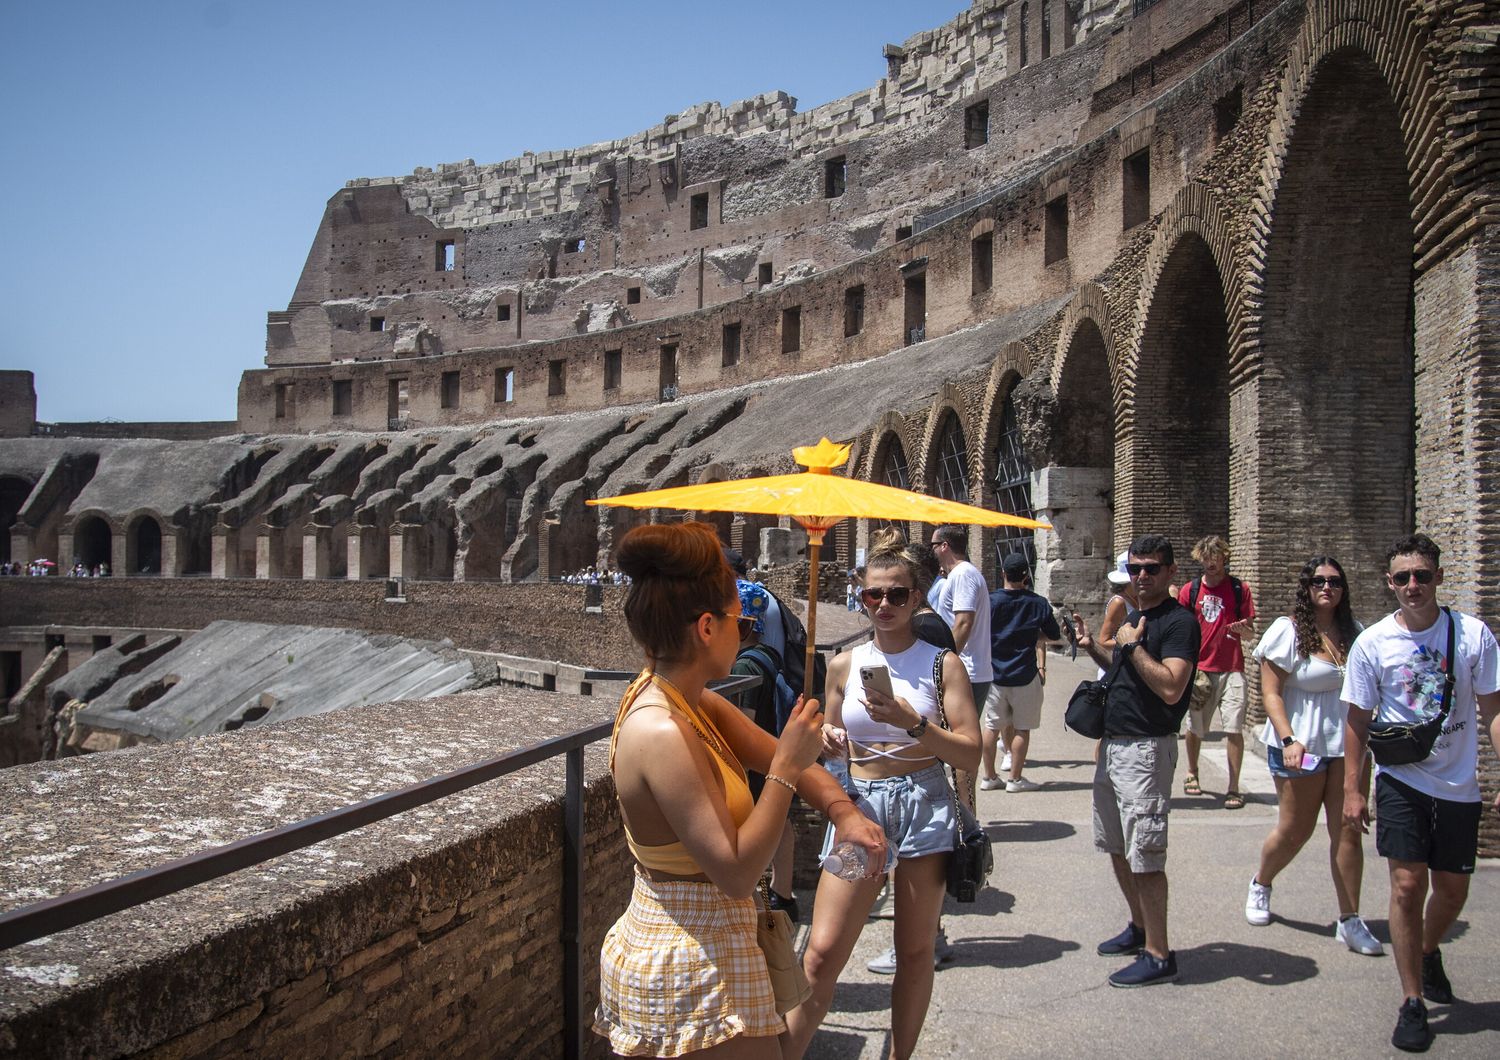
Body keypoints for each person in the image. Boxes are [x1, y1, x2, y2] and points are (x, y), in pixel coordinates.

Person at [594, 522, 885, 1058]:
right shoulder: (660, 728)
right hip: (686, 961)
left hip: (714, 938)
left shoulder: (691, 699)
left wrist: (842, 810)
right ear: (707, 627)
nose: (746, 632)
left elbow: (774, 752)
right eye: (741, 621)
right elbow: (735, 871)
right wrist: (787, 769)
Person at [784, 529, 980, 1059]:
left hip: (925, 802)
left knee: (914, 952)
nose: (884, 604)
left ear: (917, 597)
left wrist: (913, 723)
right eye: (874, 594)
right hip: (862, 805)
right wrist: (828, 741)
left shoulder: (944, 665)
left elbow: (969, 753)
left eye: (897, 594)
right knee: (822, 952)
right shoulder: (844, 665)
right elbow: (829, 747)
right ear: (861, 595)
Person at [1341, 533, 1500, 1053]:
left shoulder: (1472, 635)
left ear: (1437, 577)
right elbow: (1358, 722)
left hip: (1457, 785)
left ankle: (1429, 949)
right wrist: (1353, 790)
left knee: (1452, 890)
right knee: (1407, 888)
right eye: (1403, 577)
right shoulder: (1373, 643)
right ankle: (1412, 1001)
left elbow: (1493, 711)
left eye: (1422, 575)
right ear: (1390, 583)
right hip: (1401, 780)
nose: (1413, 585)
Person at [1073, 534, 1198, 987]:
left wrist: (1133, 644)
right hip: (1115, 744)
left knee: (1145, 852)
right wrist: (1093, 646)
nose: (1141, 576)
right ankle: (1139, 926)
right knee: (1118, 845)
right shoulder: (1138, 618)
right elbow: (1126, 666)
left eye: (1151, 569)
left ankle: (1159, 954)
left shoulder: (1179, 622)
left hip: (1146, 748)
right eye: (1135, 568)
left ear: (1170, 573)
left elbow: (1170, 686)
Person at [1242, 556, 1381, 956]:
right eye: (1318, 581)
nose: (1327, 588)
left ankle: (1350, 920)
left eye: (1335, 581)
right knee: (1296, 830)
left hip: (1348, 745)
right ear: (1306, 587)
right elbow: (1270, 693)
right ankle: (1261, 883)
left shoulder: (1355, 632)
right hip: (1299, 745)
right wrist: (1288, 739)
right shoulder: (1286, 631)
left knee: (1348, 830)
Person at [730, 577, 800, 922]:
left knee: (758, 830)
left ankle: (762, 906)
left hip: (758, 761)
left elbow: (743, 724)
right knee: (782, 823)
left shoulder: (744, 666)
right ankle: (783, 892)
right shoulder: (769, 653)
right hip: (777, 752)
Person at [1178, 535, 1256, 808]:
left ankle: (1234, 786)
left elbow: (1250, 634)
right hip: (1200, 668)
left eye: (1215, 557)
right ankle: (1192, 771)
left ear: (1225, 558)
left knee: (1234, 728)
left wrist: (1243, 630)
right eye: (1205, 558)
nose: (1210, 563)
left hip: (1232, 667)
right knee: (1195, 726)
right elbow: (1182, 629)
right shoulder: (1191, 590)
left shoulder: (1239, 589)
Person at [980, 553, 1060, 792]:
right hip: (1025, 673)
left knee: (991, 727)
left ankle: (989, 776)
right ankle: (1015, 779)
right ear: (1026, 576)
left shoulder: (990, 601)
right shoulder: (1037, 603)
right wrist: (1032, 635)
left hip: (994, 674)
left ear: (1003, 573)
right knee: (1022, 727)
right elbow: (1054, 635)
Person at [928, 524, 991, 808]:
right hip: (964, 669)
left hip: (966, 671)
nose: (931, 552)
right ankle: (962, 812)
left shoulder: (964, 574)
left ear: (944, 546)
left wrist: (944, 664)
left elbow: (963, 623)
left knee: (959, 746)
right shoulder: (958, 575)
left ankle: (967, 816)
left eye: (932, 545)